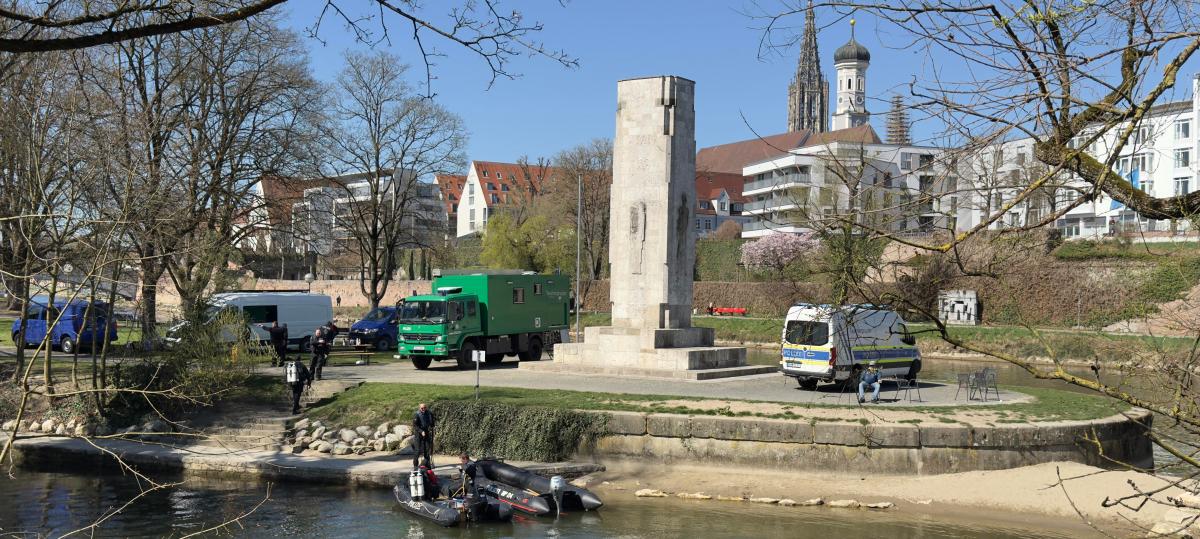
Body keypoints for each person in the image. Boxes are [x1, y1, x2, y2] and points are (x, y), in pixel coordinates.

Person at [412, 402, 435, 467]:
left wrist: (432, 424)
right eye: (422, 408)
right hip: (418, 433)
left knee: (427, 449)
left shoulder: (429, 413)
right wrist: (421, 431)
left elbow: (432, 422)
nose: (423, 409)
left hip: (426, 431)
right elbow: (415, 426)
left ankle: (427, 465)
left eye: (425, 407)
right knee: (417, 450)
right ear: (419, 408)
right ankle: (415, 466)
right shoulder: (416, 414)